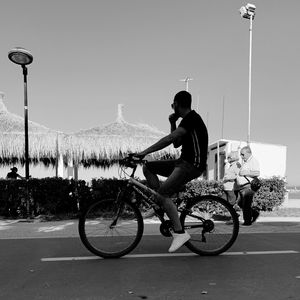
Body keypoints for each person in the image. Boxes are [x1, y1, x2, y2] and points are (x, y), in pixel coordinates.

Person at [135, 90, 208, 252]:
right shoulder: (185, 122)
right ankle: (160, 204)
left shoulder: (192, 119)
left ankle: (180, 233)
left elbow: (169, 140)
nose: (171, 107)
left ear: (177, 104)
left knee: (162, 194)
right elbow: (176, 143)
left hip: (192, 165)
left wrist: (143, 152)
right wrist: (172, 123)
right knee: (148, 166)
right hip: (182, 162)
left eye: (172, 104)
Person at [236, 146, 260, 226]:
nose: (241, 156)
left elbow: (257, 173)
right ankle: (254, 213)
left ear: (248, 153)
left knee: (246, 204)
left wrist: (245, 173)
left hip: (248, 186)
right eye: (241, 154)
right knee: (240, 204)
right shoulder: (246, 161)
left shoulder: (253, 161)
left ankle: (247, 221)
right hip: (243, 186)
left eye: (243, 154)